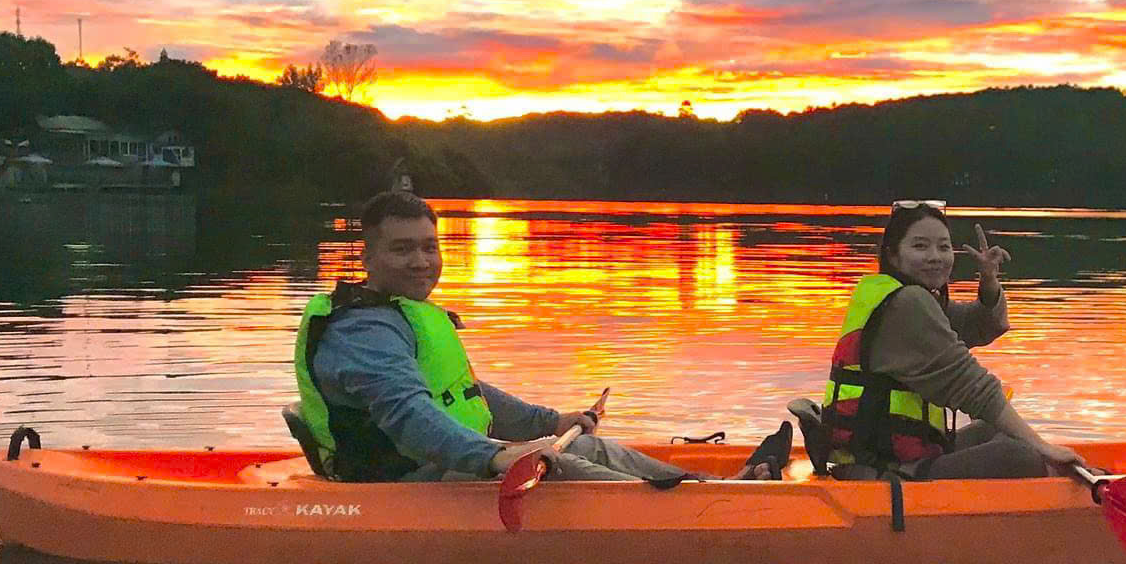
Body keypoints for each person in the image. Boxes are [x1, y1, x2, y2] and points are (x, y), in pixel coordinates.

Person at [295, 191, 785, 482]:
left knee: (586, 447)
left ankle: (710, 487)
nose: (422, 262)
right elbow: (407, 415)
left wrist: (552, 421)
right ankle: (692, 515)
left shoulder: (400, 314)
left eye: (429, 247)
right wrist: (495, 456)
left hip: (446, 463)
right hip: (404, 482)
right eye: (402, 250)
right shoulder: (361, 331)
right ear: (368, 257)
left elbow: (468, 394)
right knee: (571, 470)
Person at [817, 202, 1085, 480]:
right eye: (920, 246)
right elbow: (973, 387)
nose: (936, 257)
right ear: (893, 255)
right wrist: (1043, 447)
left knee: (998, 432)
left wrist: (989, 281)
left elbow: (977, 327)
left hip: (883, 457)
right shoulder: (907, 303)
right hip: (884, 470)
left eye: (944, 247)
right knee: (1021, 456)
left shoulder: (899, 294)